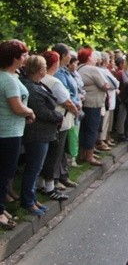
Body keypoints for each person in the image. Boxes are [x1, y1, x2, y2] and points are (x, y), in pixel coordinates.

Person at [20, 55, 65, 215]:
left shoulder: (37, 84)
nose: (47, 68)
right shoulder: (32, 88)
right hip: (37, 133)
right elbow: (41, 112)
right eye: (45, 65)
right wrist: (59, 116)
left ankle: (31, 198)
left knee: (37, 167)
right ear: (39, 69)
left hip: (45, 132)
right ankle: (27, 200)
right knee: (34, 167)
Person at [0, 39, 34, 229]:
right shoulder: (8, 79)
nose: (26, 58)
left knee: (5, 172)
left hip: (9, 130)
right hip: (8, 132)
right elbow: (16, 107)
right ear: (15, 58)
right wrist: (29, 112)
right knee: (5, 172)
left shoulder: (10, 76)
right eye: (23, 55)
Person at [38, 50, 78, 198]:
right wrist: (75, 110)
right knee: (56, 152)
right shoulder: (53, 81)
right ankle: (52, 183)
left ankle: (44, 183)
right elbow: (65, 100)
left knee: (51, 153)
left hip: (50, 120)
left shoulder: (41, 79)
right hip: (59, 119)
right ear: (55, 63)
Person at [77, 47, 111, 166]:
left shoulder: (79, 68)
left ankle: (82, 154)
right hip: (93, 103)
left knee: (83, 130)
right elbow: (105, 85)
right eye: (92, 55)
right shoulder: (92, 69)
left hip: (84, 103)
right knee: (92, 129)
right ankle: (90, 156)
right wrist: (106, 85)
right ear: (88, 57)